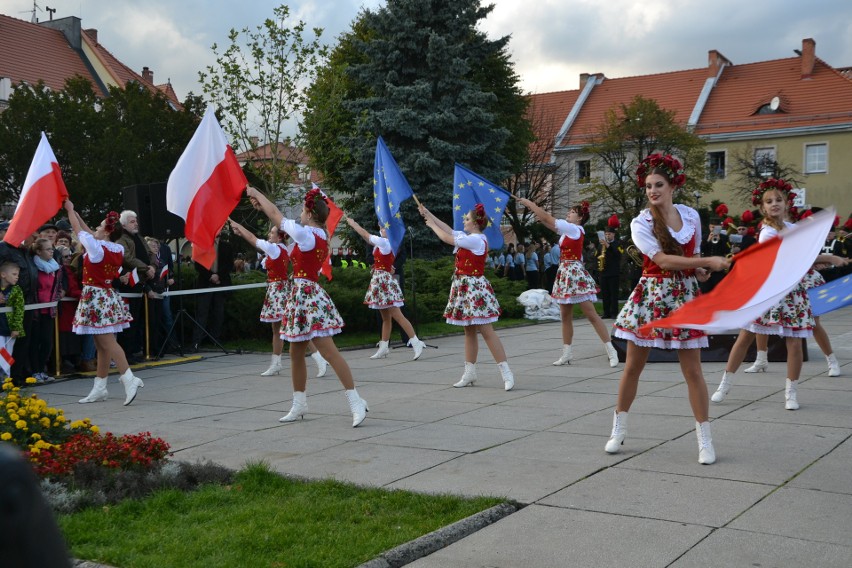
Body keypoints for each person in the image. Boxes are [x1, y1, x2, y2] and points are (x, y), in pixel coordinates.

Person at [606, 153, 729, 464]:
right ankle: (618, 428)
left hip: (685, 296)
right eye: (648, 186)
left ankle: (705, 440)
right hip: (651, 296)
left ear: (673, 184)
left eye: (658, 184)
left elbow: (695, 255)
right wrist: (704, 262)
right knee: (633, 366)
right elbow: (661, 260)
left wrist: (702, 271)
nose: (652, 191)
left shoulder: (690, 216)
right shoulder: (641, 222)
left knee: (693, 371)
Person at [711, 179, 848, 408]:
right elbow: (790, 258)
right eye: (769, 201)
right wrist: (828, 258)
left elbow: (805, 254)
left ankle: (791, 393)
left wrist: (818, 259)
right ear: (763, 208)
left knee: (794, 342)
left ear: (786, 204)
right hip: (769, 291)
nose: (774, 204)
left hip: (793, 292)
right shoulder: (767, 233)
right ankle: (724, 384)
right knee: (746, 336)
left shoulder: (793, 228)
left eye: (778, 200)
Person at [246, 186, 369, 427]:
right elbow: (275, 218)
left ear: (310, 214)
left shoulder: (308, 235)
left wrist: (256, 192)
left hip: (307, 297)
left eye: (302, 211)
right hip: (301, 295)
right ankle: (299, 403)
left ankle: (356, 400)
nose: (300, 215)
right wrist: (262, 206)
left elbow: (276, 215)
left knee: (329, 351)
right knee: (295, 352)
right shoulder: (316, 235)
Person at [418, 202, 515, 391]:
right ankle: (470, 372)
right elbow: (450, 230)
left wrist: (430, 225)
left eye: (467, 219)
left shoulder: (477, 239)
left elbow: (447, 237)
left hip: (474, 288)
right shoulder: (469, 237)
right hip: (464, 287)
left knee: (486, 331)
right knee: (468, 330)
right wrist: (428, 212)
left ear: (476, 224)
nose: (464, 220)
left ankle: (506, 372)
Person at [516, 199, 619, 367]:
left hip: (573, 273)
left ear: (579, 218)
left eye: (571, 212)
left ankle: (611, 350)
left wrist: (530, 204)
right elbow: (547, 222)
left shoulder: (574, 229)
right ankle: (567, 353)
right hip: (565, 272)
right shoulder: (568, 231)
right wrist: (538, 215)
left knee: (591, 314)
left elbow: (549, 219)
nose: (567, 213)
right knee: (565, 316)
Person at [63, 201, 143, 405]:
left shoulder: (97, 248)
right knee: (101, 345)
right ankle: (100, 387)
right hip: (106, 296)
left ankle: (129, 378)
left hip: (96, 297)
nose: (95, 229)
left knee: (107, 342)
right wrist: (77, 213)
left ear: (106, 232)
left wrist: (71, 211)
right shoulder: (116, 247)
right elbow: (88, 231)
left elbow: (78, 230)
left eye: (99, 227)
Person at [229, 220, 329, 377]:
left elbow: (253, 238)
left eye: (272, 233)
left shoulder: (275, 249)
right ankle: (276, 363)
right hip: (279, 289)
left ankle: (318, 358)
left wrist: (240, 229)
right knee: (278, 329)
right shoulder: (284, 249)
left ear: (280, 237)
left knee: (294, 328)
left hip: (278, 291)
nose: (269, 234)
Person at [345, 216, 427, 360]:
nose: (382, 230)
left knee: (397, 315)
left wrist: (353, 224)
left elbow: (365, 235)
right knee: (385, 318)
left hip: (384, 282)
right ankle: (384, 347)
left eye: (385, 228)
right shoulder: (383, 243)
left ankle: (415, 341)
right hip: (380, 279)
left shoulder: (385, 242)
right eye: (381, 227)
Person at [115, 210, 155, 362]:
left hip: (143, 282)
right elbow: (127, 257)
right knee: (129, 320)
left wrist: (152, 267)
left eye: (136, 221)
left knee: (138, 320)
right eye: (132, 221)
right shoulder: (121, 239)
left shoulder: (139, 237)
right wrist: (146, 267)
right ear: (124, 224)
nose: (136, 223)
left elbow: (151, 253)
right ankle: (126, 353)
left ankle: (136, 350)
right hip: (129, 283)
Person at [191, 228, 234, 351]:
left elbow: (229, 265)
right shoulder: (202, 245)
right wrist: (210, 276)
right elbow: (198, 265)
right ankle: (196, 341)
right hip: (205, 283)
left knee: (218, 313)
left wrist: (218, 276)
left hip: (221, 283)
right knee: (202, 313)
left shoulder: (227, 246)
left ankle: (215, 340)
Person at [29, 238, 64, 383]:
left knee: (47, 342)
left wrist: (60, 293)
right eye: (48, 249)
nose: (51, 252)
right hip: (35, 310)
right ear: (38, 251)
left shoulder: (55, 267)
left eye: (52, 249)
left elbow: (58, 285)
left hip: (49, 310)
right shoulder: (33, 266)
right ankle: (34, 372)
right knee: (34, 342)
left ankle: (42, 370)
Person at [55, 245, 82, 373]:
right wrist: (85, 295)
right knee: (65, 338)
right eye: (65, 256)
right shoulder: (63, 270)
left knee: (70, 336)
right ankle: (64, 362)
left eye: (70, 255)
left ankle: (70, 360)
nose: (69, 258)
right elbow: (71, 288)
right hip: (65, 310)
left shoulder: (69, 269)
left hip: (71, 309)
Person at [0, 261, 25, 380]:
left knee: (7, 354)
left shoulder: (16, 290)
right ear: (3, 275)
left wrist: (16, 327)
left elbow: (19, 310)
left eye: (18, 275)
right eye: (14, 274)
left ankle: (6, 379)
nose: (17, 277)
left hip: (9, 328)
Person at [599, 220, 623, 319]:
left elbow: (618, 255)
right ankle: (606, 312)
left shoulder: (618, 243)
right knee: (605, 294)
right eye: (606, 234)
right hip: (603, 272)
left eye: (609, 234)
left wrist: (608, 246)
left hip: (613, 272)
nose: (607, 236)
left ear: (613, 234)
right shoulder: (601, 244)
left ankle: (614, 313)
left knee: (613, 294)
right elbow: (597, 254)